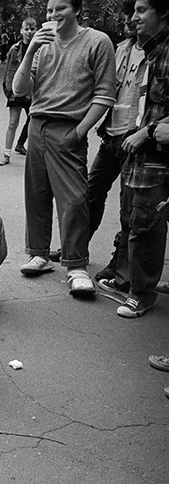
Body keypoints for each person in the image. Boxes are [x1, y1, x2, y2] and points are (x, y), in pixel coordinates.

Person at [11, 0, 116, 297]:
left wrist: (79, 132)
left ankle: (76, 264)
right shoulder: (41, 45)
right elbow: (19, 90)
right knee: (37, 193)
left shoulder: (97, 41)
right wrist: (30, 49)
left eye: (61, 9)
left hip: (69, 127)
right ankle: (39, 253)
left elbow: (105, 95)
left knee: (74, 199)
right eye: (49, 10)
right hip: (37, 125)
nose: (53, 16)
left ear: (77, 10)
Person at [99, 0, 169, 317]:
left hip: (156, 155)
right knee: (135, 216)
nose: (134, 17)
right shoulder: (150, 51)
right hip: (138, 150)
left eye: (142, 10)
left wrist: (149, 132)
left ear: (163, 11)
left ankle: (141, 294)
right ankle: (133, 280)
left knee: (145, 222)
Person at [86, 0, 144, 281]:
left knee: (128, 208)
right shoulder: (120, 49)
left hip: (134, 140)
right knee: (90, 194)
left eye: (135, 13)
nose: (129, 20)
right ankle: (76, 249)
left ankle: (118, 263)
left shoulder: (158, 53)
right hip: (109, 135)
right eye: (127, 14)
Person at [0, 18, 37, 166]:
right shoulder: (14, 49)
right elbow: (9, 71)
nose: (29, 32)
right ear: (21, 30)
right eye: (26, 29)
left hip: (33, 91)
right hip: (16, 90)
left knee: (34, 123)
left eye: (32, 29)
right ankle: (6, 155)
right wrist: (9, 90)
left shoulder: (41, 48)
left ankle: (34, 155)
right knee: (13, 122)